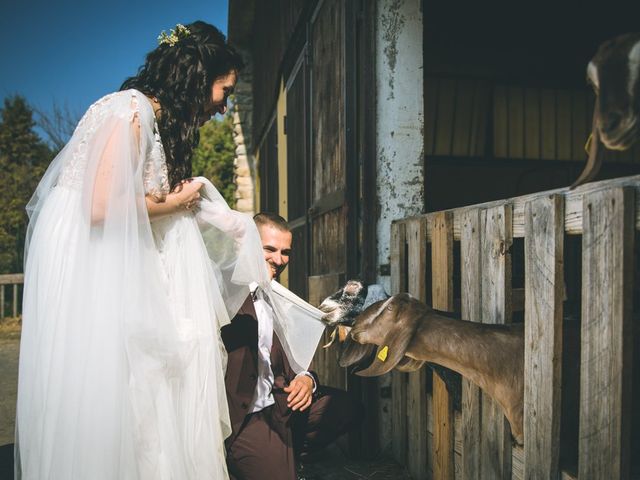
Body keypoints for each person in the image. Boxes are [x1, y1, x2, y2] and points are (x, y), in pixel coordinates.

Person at [15, 21, 263, 479]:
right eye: (223, 91)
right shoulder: (131, 110)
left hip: (113, 264)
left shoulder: (143, 114)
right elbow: (99, 207)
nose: (224, 106)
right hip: (101, 273)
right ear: (196, 76)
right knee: (129, 389)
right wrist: (177, 201)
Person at [222, 212, 363, 480]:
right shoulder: (225, 295)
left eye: (285, 252)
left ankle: (292, 452)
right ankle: (266, 458)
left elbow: (295, 358)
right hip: (245, 416)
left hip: (280, 402)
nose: (279, 259)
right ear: (246, 244)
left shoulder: (278, 296)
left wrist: (307, 379)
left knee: (346, 408)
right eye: (270, 249)